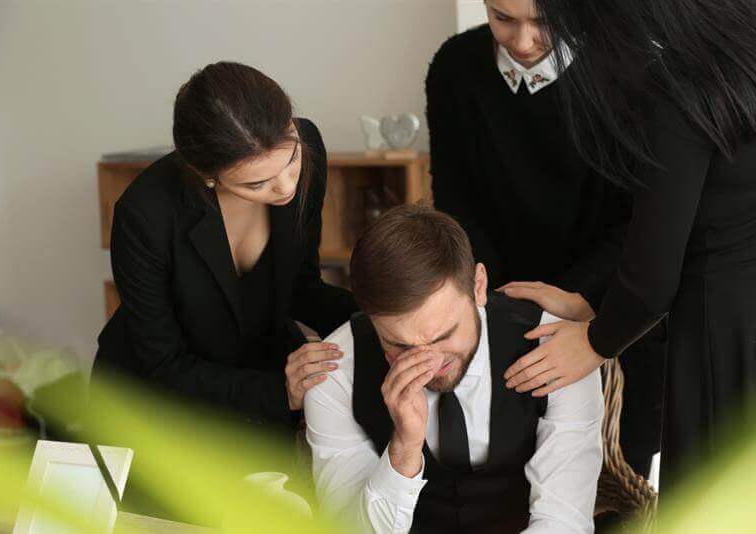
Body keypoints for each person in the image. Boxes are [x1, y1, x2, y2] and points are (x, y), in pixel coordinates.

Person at [502, 0, 756, 492]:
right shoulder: (740, 47)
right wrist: (593, 306)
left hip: (724, 329)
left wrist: (596, 342)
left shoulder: (684, 83)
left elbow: (654, 275)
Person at [426, 0, 664, 476]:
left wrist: (568, 300)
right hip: (500, 301)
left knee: (614, 478)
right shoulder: (454, 67)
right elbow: (455, 202)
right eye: (503, 18)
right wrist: (500, 303)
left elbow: (644, 217)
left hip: (609, 302)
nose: (523, 40)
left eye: (544, 22)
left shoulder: (631, 69)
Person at [305, 205, 603, 534]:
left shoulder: (556, 348)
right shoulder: (335, 369)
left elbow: (563, 522)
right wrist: (404, 449)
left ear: (478, 285)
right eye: (399, 346)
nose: (429, 361)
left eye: (444, 335)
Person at [92, 61, 356, 428]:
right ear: (207, 176)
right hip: (158, 406)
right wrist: (281, 391)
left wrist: (387, 316)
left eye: (291, 160)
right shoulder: (145, 215)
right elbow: (164, 363)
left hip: (259, 381)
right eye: (256, 184)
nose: (286, 187)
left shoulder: (307, 144)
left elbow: (301, 288)